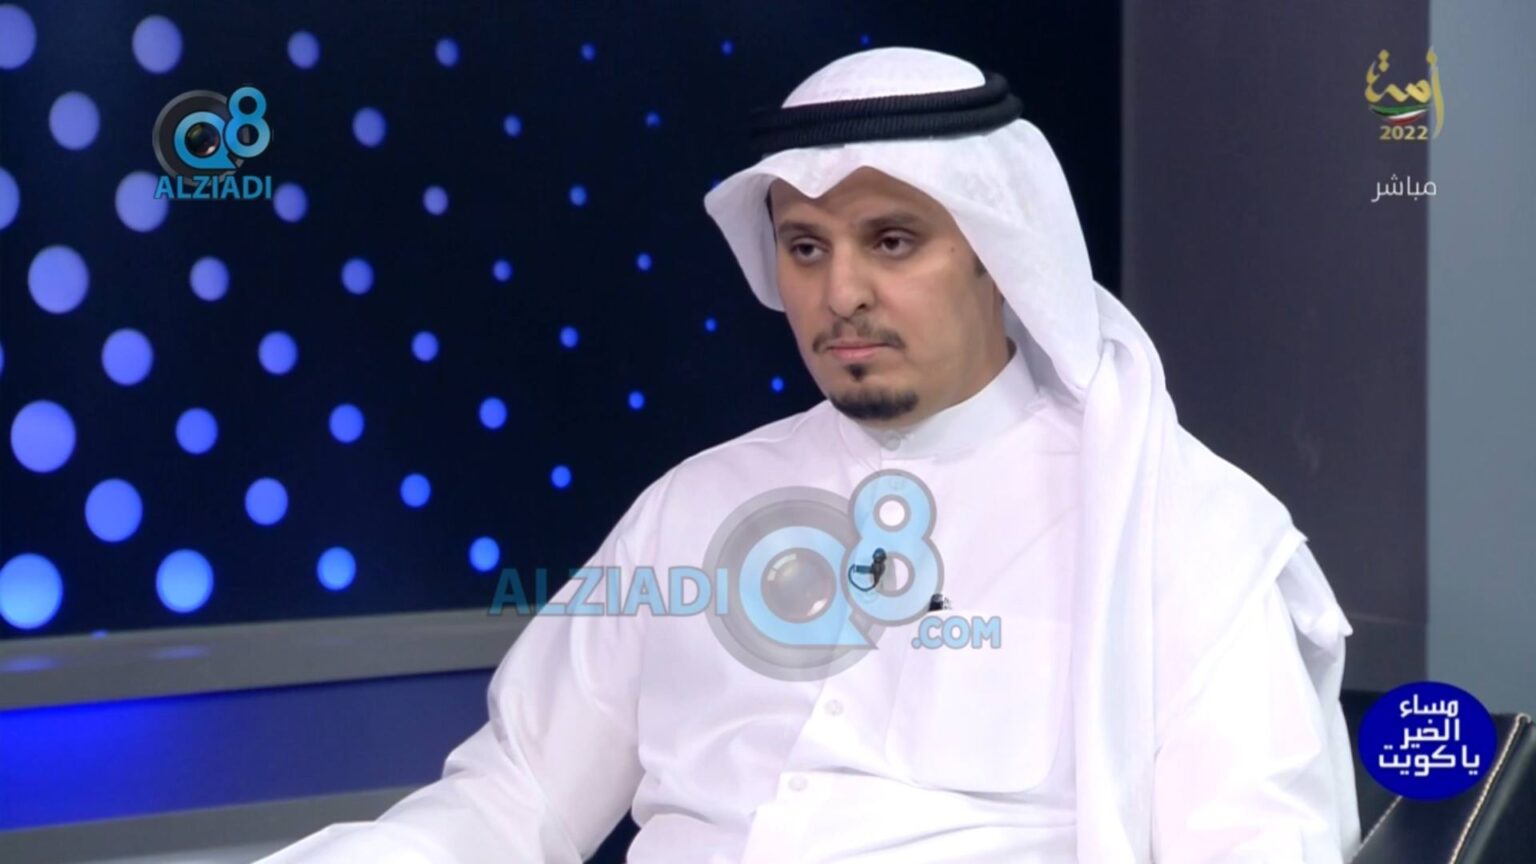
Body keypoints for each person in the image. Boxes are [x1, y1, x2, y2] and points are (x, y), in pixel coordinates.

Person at [260, 47, 1360, 863]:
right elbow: (516, 798)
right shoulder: (697, 506)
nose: (841, 293)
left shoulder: (1182, 528)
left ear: (999, 256)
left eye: (893, 241)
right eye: (805, 247)